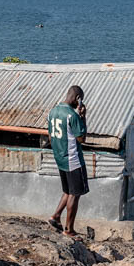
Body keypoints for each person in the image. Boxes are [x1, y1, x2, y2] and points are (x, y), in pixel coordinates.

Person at [47, 85, 89, 238]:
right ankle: (69, 229)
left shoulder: (52, 112)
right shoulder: (72, 115)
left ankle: (55, 216)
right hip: (73, 160)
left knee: (67, 190)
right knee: (75, 194)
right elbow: (81, 138)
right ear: (78, 99)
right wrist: (83, 117)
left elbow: (50, 137)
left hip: (60, 158)